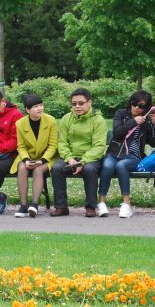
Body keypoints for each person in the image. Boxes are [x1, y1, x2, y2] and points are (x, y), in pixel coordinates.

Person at [97, 90, 155, 219]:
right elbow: (117, 133)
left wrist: (154, 125)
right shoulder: (121, 113)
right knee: (107, 166)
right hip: (114, 153)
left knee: (121, 165)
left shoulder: (147, 120)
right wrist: (133, 121)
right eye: (134, 103)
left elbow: (153, 143)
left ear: (147, 107)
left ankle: (126, 204)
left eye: (141, 106)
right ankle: (101, 203)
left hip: (133, 156)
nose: (136, 107)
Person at [50, 88, 107, 218]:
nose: (77, 106)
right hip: (70, 157)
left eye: (81, 103)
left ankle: (91, 207)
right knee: (57, 168)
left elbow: (99, 147)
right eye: (74, 103)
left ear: (89, 102)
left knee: (89, 170)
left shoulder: (98, 120)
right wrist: (69, 158)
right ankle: (61, 207)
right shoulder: (66, 119)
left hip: (90, 158)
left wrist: (83, 161)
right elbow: (62, 143)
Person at [12, 95, 58, 218]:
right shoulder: (20, 123)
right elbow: (21, 146)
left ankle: (34, 205)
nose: (40, 108)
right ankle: (23, 205)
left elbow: (53, 146)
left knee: (38, 170)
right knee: (22, 168)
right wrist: (26, 160)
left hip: (47, 157)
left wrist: (42, 160)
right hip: (28, 156)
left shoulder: (51, 121)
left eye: (41, 105)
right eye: (35, 106)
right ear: (27, 110)